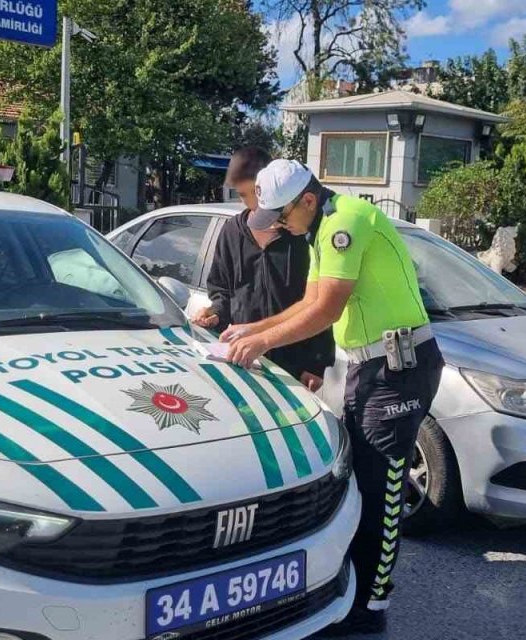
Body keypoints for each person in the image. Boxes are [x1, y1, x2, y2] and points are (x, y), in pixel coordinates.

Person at [223, 159, 444, 635]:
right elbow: (307, 302)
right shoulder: (320, 228)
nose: (280, 226)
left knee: (383, 488)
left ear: (307, 199)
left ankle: (371, 608)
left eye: (282, 216)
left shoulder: (346, 222)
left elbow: (327, 309)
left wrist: (262, 344)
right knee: (358, 482)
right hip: (369, 367)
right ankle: (354, 587)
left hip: (399, 369)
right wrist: (251, 328)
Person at [192, 148, 333, 390]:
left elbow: (319, 304)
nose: (246, 202)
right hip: (244, 360)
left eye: (251, 193)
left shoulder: (303, 235)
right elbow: (222, 290)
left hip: (295, 365)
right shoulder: (231, 232)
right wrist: (215, 311)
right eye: (241, 195)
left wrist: (316, 363)